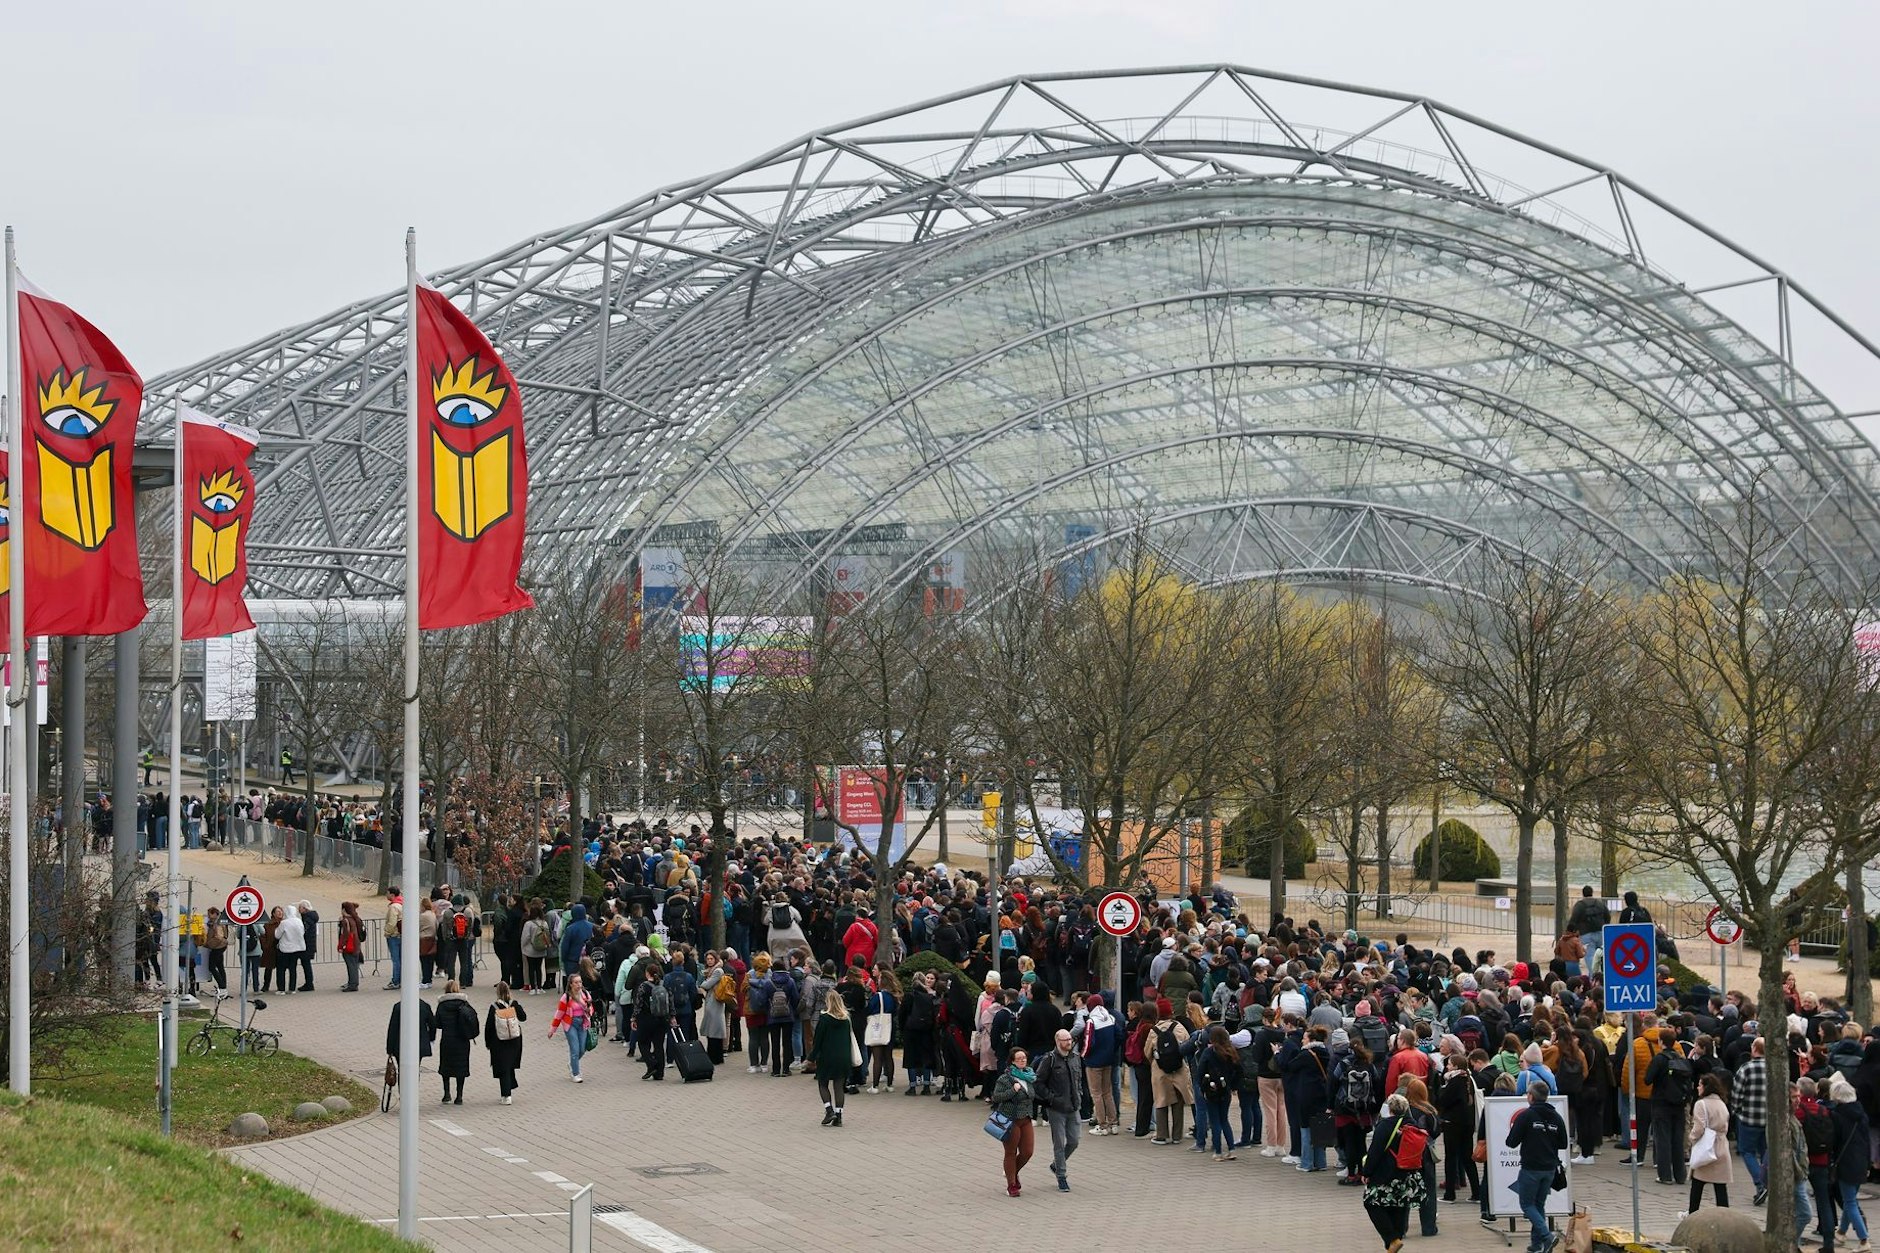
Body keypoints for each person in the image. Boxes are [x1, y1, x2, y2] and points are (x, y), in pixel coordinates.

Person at [1506, 1079, 1568, 1253]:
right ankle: (1537, 1245)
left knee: (1527, 1205)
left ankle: (1547, 1236)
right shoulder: (1556, 1116)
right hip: (1549, 1168)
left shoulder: (1526, 1115)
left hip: (1531, 1167)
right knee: (1538, 1204)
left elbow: (1511, 1142)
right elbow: (1563, 1143)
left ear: (1531, 1096)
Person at [1361, 1092, 1426, 1253]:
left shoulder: (1385, 1125)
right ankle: (1395, 1240)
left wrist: (1366, 1172)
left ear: (1390, 1109)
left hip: (1386, 1173)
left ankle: (1392, 1239)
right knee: (1399, 1205)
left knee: (1371, 1203)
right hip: (1408, 1173)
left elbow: (1375, 1151)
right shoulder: (1413, 1124)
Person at [1035, 1028, 1085, 1189]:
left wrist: (1080, 1094)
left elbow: (1079, 1080)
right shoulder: (1049, 1059)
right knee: (1058, 1142)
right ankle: (1061, 1176)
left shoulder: (1076, 1058)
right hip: (1056, 1108)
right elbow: (1038, 1082)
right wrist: (1051, 1098)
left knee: (1074, 1141)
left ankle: (1056, 1164)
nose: (1069, 1042)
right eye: (1065, 1040)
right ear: (1058, 1041)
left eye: (1070, 1039)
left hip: (1073, 1106)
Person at [1830, 1075, 1872, 1250]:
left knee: (1850, 1202)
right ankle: (1841, 1232)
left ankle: (1864, 1239)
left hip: (1845, 1161)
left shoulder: (1837, 1116)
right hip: (1861, 1160)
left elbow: (1835, 1141)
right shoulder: (1861, 1114)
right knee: (1850, 1199)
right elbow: (1867, 1140)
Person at [990, 1047, 1039, 1197]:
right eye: (1019, 1059)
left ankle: (1012, 1172)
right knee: (1011, 1152)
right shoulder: (1005, 1078)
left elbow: (1032, 1096)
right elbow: (996, 1097)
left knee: (1027, 1152)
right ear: (1012, 1061)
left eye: (1024, 1058)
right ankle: (1011, 1184)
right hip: (1010, 1119)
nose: (1022, 1061)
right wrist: (1013, 1090)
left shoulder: (1029, 1076)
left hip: (1026, 1118)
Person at [1686, 1072, 1733, 1212]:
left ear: (1706, 1087)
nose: (1697, 1087)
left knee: (1697, 1184)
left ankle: (1693, 1213)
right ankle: (1724, 1215)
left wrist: (1691, 1137)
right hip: (1721, 1146)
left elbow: (1699, 1127)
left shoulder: (1701, 1104)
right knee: (1720, 1186)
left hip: (1706, 1146)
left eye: (1700, 1084)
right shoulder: (1722, 1103)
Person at [1196, 1024, 1240, 1162]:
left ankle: (1218, 1151)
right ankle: (1231, 1149)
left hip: (1212, 1089)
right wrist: (1232, 1086)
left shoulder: (1209, 1053)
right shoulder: (1231, 1051)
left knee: (1215, 1121)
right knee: (1224, 1119)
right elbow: (1238, 1071)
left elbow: (1200, 1071)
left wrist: (1202, 1085)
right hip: (1225, 1090)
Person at [810, 988, 853, 1128]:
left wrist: (811, 1057)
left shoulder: (824, 1019)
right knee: (838, 1086)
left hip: (827, 1057)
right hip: (843, 1057)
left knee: (823, 1083)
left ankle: (829, 1110)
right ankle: (839, 1116)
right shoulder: (846, 1019)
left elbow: (818, 1041)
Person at [434, 979, 479, 1104]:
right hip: (462, 1041)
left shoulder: (442, 1005)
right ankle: (459, 1096)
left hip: (447, 1040)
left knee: (445, 1067)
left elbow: (437, 1023)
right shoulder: (464, 1004)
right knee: (461, 1067)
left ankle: (446, 1094)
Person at [483, 980, 527, 1103]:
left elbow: (489, 1026)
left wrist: (488, 1043)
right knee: (510, 1065)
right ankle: (511, 1085)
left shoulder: (494, 1007)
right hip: (514, 1040)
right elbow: (523, 1017)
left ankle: (506, 1095)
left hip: (499, 1041)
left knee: (503, 1068)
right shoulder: (514, 1004)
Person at [548, 974, 594, 1083]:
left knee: (582, 1049)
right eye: (576, 982)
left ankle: (572, 1064)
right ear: (571, 984)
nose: (579, 985)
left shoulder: (586, 994)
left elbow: (591, 1009)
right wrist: (552, 1029)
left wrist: (589, 1010)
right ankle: (575, 1073)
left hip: (582, 1023)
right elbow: (559, 1014)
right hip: (570, 1024)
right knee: (575, 1049)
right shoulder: (566, 997)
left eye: (580, 982)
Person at [274, 904, 304, 994]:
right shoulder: (299, 921)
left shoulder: (284, 923)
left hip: (285, 948)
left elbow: (277, 935)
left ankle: (281, 989)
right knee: (293, 969)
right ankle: (292, 988)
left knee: (281, 969)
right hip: (297, 948)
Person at [384, 889, 405, 991]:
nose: (386, 895)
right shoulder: (402, 904)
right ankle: (401, 979)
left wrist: (387, 933)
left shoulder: (393, 907)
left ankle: (395, 981)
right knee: (400, 959)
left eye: (387, 893)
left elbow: (392, 923)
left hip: (394, 935)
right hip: (401, 935)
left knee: (396, 960)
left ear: (392, 895)